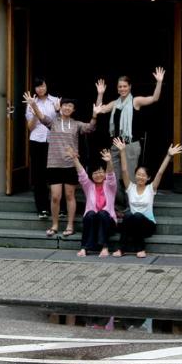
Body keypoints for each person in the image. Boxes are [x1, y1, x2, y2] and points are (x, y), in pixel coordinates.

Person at [22, 93, 96, 238]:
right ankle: (54, 225)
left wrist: (94, 115)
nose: (67, 108)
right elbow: (41, 117)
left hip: (70, 165)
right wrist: (33, 104)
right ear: (60, 107)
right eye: (65, 105)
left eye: (70, 106)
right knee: (55, 197)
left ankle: (70, 226)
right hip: (54, 164)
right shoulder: (53, 122)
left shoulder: (76, 124)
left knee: (70, 195)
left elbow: (90, 128)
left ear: (73, 109)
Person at [94, 67, 166, 207]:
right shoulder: (115, 104)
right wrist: (100, 94)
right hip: (116, 145)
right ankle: (120, 204)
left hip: (131, 145)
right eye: (120, 86)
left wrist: (159, 82)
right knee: (112, 177)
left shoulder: (135, 101)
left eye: (125, 86)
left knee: (130, 177)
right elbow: (99, 109)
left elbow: (154, 98)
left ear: (130, 87)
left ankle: (131, 206)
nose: (122, 89)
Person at [115, 137, 182, 258]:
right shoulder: (130, 187)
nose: (140, 177)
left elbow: (160, 173)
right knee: (129, 215)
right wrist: (122, 151)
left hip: (148, 225)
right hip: (133, 224)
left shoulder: (150, 189)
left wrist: (169, 155)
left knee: (136, 215)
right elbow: (124, 170)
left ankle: (140, 249)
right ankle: (121, 249)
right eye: (138, 174)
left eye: (143, 175)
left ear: (148, 178)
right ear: (135, 176)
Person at [66, 146, 117, 258]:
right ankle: (84, 248)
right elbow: (82, 174)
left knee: (102, 213)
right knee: (90, 214)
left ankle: (104, 247)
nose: (98, 175)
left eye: (100, 172)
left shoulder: (110, 185)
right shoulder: (88, 186)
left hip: (108, 222)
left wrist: (109, 162)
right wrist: (75, 159)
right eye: (95, 173)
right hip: (93, 221)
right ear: (91, 175)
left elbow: (111, 175)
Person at [23, 77, 59, 220]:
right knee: (39, 175)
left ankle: (59, 207)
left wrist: (58, 111)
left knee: (55, 173)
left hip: (54, 141)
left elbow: (62, 121)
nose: (40, 89)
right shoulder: (32, 103)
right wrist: (35, 112)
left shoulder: (55, 101)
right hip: (37, 141)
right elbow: (30, 128)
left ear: (46, 86)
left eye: (42, 86)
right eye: (37, 87)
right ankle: (42, 208)